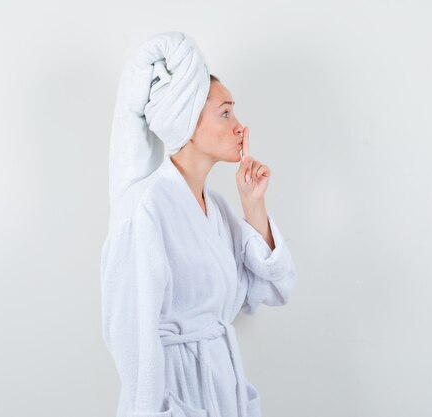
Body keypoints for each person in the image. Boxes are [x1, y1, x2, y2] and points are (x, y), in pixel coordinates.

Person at [100, 32, 297, 417]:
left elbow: (269, 292)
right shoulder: (145, 209)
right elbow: (130, 336)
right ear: (187, 122)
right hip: (175, 395)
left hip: (223, 392)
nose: (240, 126)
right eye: (225, 113)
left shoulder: (219, 210)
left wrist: (253, 205)